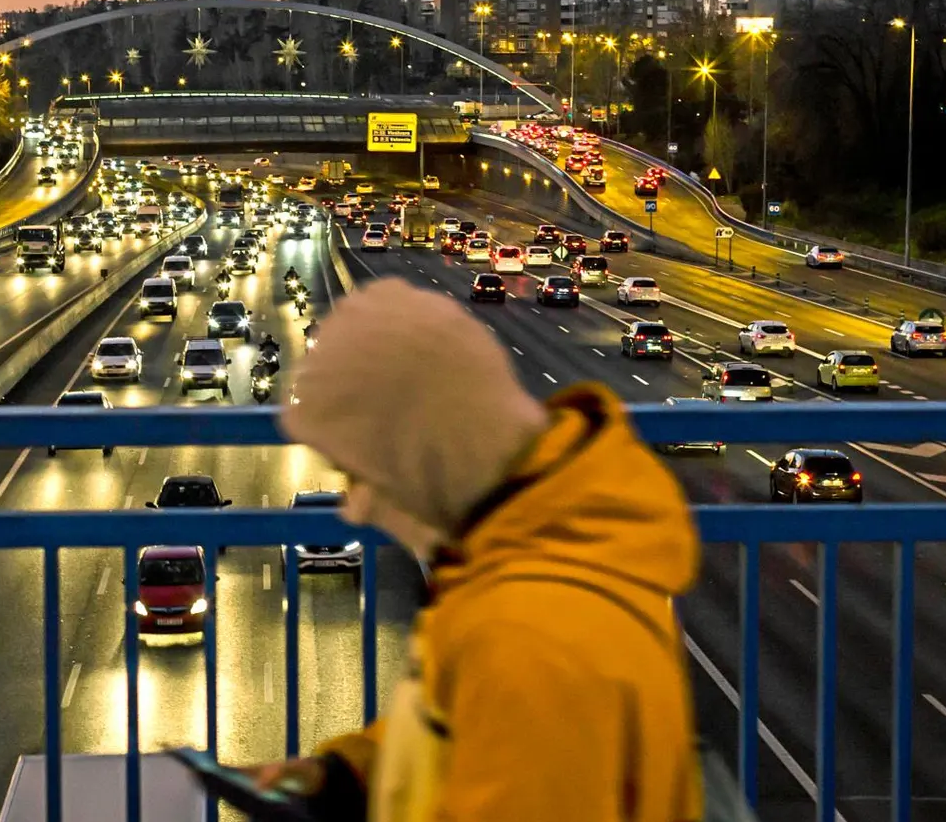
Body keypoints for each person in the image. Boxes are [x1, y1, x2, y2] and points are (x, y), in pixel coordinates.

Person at [255, 278, 701, 822]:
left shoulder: (527, 639)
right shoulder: (534, 551)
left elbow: (518, 726)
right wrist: (350, 776)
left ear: (423, 454)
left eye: (360, 470)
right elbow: (471, 728)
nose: (355, 507)